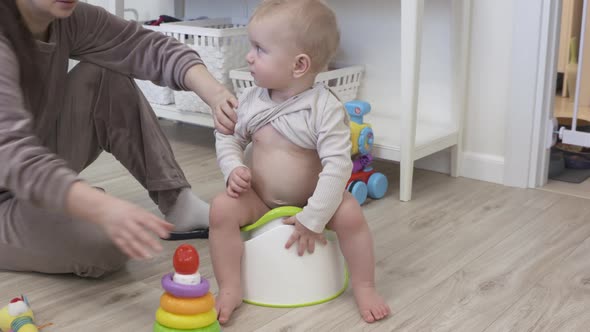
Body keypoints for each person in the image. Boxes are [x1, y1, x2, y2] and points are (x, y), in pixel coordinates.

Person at [0, 0, 238, 277]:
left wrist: (216, 94)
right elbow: (11, 155)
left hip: (31, 166)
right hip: (11, 175)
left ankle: (178, 203)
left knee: (104, 73)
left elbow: (142, 45)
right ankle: (58, 208)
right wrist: (96, 206)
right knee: (107, 244)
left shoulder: (65, 17)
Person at [209, 0, 391, 324]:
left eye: (259, 49)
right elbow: (229, 136)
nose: (249, 57)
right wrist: (234, 168)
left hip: (315, 198)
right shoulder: (252, 100)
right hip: (261, 198)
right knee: (221, 209)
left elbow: (338, 166)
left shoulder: (325, 109)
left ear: (299, 65)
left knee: (350, 215)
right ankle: (230, 286)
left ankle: (364, 286)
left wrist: (316, 215)